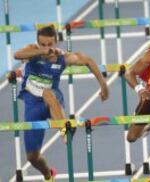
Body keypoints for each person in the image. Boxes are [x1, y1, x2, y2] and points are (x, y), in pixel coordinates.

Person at [14, 25, 109, 181]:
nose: (47, 48)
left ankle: (65, 131)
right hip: (32, 103)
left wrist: (104, 85)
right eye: (42, 44)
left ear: (56, 42)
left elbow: (88, 60)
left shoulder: (62, 58)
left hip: (53, 101)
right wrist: (41, 51)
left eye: (50, 44)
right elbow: (17, 55)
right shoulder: (32, 51)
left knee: (48, 93)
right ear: (37, 43)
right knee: (32, 157)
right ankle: (48, 174)